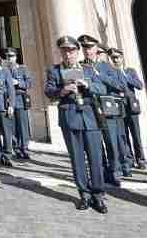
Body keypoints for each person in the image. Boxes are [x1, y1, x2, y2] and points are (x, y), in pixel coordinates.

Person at [44, 35, 108, 213]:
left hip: (90, 117)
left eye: (71, 51)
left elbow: (103, 88)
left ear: (77, 51)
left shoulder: (88, 69)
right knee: (77, 159)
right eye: (64, 51)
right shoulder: (55, 70)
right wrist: (62, 90)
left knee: (95, 158)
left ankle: (98, 195)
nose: (68, 54)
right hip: (70, 116)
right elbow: (49, 91)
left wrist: (87, 85)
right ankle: (84, 194)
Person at [79, 35, 127, 184]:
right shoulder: (80, 66)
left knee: (111, 141)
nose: (87, 51)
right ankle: (102, 170)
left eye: (90, 47)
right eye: (85, 48)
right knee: (96, 143)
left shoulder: (107, 66)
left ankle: (115, 171)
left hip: (107, 108)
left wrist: (100, 77)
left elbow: (119, 85)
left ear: (96, 49)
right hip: (89, 108)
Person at [108, 47, 147, 170]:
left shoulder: (130, 71)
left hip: (131, 106)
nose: (116, 60)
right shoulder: (111, 73)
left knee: (136, 134)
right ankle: (128, 159)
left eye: (117, 57)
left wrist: (125, 76)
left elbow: (139, 85)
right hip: (119, 107)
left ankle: (140, 159)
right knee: (123, 134)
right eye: (113, 58)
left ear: (122, 58)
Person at [4, 48, 33, 160]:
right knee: (13, 126)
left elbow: (29, 83)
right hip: (9, 100)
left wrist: (18, 82)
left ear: (16, 57)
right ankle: (16, 149)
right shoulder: (4, 70)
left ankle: (24, 148)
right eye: (7, 56)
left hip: (20, 98)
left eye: (11, 56)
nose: (9, 58)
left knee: (23, 126)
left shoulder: (22, 69)